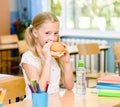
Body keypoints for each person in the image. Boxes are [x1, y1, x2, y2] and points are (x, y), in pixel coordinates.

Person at [20, 12, 74, 100]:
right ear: (35, 33)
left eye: (56, 33)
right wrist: (47, 59)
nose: (52, 38)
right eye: (47, 33)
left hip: (54, 101)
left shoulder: (54, 55)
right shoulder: (28, 58)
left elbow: (69, 86)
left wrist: (67, 62)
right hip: (36, 103)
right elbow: (39, 91)